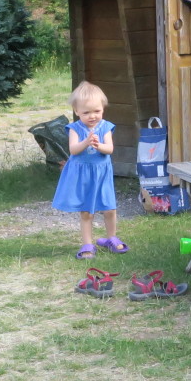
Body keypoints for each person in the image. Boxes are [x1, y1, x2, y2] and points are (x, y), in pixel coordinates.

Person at [52, 81, 128, 260]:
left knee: (109, 208)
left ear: (103, 109)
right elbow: (73, 150)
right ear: (76, 111)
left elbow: (109, 149)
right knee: (87, 211)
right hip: (83, 175)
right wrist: (86, 142)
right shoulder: (75, 129)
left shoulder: (106, 127)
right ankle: (87, 244)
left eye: (97, 111)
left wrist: (98, 145)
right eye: (86, 112)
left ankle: (111, 238)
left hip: (102, 173)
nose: (92, 116)